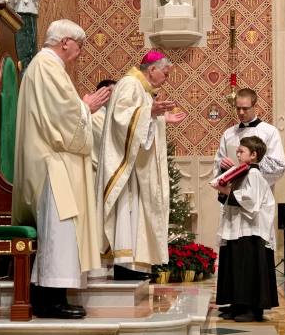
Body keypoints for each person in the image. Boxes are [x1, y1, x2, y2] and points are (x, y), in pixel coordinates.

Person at [12, 19, 112, 319]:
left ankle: (54, 298)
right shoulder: (46, 66)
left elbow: (61, 110)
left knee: (63, 231)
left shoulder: (49, 68)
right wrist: (87, 108)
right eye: (79, 46)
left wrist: (81, 107)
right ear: (65, 41)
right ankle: (48, 302)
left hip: (55, 162)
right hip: (51, 164)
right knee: (59, 231)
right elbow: (64, 115)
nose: (79, 52)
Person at [96, 51, 186, 280]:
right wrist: (150, 112)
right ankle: (124, 267)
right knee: (127, 213)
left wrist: (159, 118)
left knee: (136, 214)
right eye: (165, 74)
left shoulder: (143, 90)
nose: (166, 79)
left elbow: (141, 121)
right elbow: (120, 118)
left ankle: (134, 265)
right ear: (152, 69)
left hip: (136, 166)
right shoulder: (129, 84)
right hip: (126, 168)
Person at [213, 88, 285, 315]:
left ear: (255, 105)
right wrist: (224, 168)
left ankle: (252, 304)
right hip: (234, 202)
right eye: (238, 108)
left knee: (250, 251)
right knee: (234, 250)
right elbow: (218, 164)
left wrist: (248, 166)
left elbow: (279, 166)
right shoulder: (228, 133)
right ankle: (235, 301)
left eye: (246, 108)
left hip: (254, 203)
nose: (241, 112)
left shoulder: (269, 131)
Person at [211, 136, 278, 323]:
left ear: (254, 155)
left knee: (248, 267)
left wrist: (227, 191)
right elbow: (231, 198)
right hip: (237, 227)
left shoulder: (255, 174)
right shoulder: (243, 173)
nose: (237, 154)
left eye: (241, 151)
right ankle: (237, 304)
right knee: (236, 265)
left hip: (251, 230)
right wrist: (223, 190)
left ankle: (252, 308)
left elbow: (250, 201)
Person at [92, 79, 116, 177]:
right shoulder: (96, 116)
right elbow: (107, 145)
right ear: (103, 94)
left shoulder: (108, 116)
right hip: (99, 173)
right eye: (115, 93)